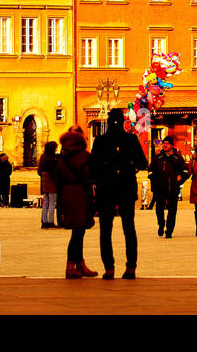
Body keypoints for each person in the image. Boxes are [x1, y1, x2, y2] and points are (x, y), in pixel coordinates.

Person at [90, 108, 148, 279]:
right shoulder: (131, 139)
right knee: (129, 229)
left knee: (106, 231)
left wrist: (102, 174)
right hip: (126, 188)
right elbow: (143, 163)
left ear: (108, 122)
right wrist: (130, 168)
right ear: (123, 122)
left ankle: (109, 268)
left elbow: (93, 166)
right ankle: (131, 267)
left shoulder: (100, 140)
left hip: (106, 189)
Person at [54, 126, 97, 279]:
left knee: (77, 232)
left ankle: (79, 264)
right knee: (78, 233)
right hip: (81, 195)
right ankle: (71, 266)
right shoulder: (84, 157)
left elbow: (56, 179)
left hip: (67, 195)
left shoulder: (61, 158)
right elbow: (90, 177)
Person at [148, 136, 189, 238]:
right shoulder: (157, 157)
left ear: (172, 145)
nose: (165, 145)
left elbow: (185, 171)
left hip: (173, 188)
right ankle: (161, 224)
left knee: (172, 210)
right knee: (159, 209)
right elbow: (150, 170)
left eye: (167, 143)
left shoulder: (178, 157)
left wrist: (180, 179)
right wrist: (154, 178)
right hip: (159, 188)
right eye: (163, 143)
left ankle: (169, 230)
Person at [37, 141, 60, 228]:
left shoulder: (43, 157)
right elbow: (54, 172)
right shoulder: (52, 158)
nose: (57, 149)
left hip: (44, 182)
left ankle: (44, 221)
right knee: (52, 202)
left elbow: (39, 171)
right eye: (56, 147)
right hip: (51, 183)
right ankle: (50, 221)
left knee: (46, 202)